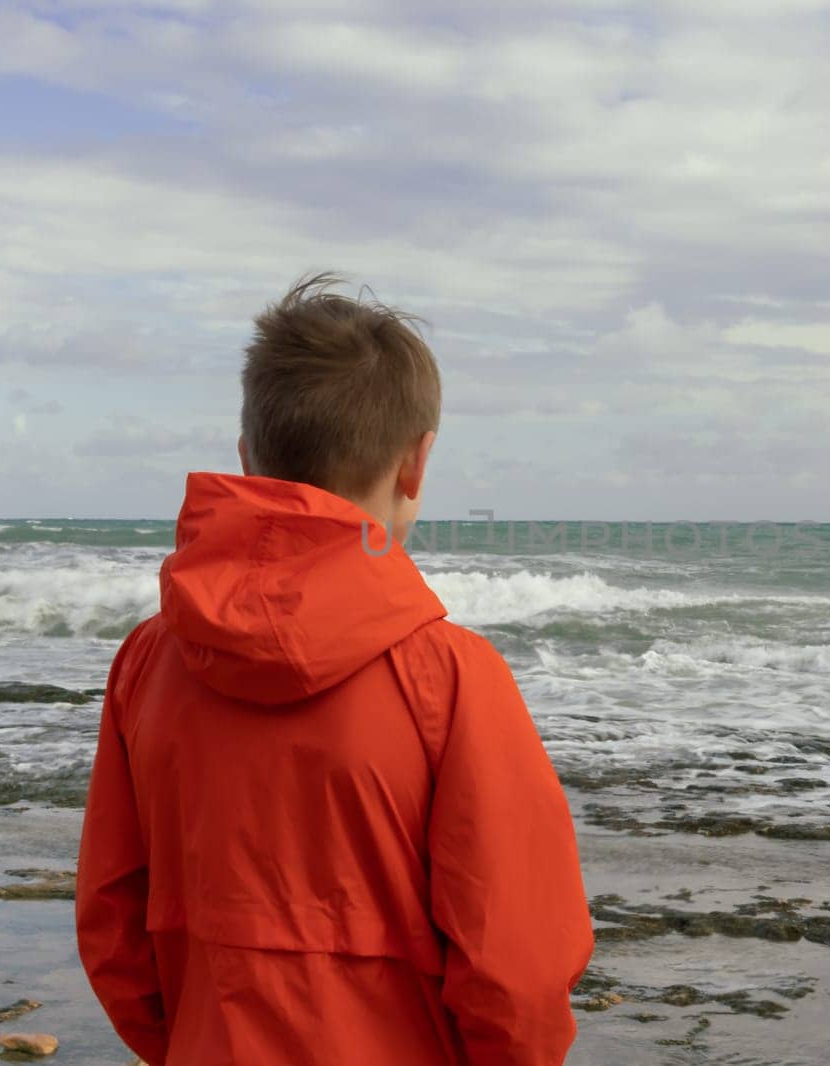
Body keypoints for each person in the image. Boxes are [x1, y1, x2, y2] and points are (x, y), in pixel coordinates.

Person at [75, 275, 594, 1065]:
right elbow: (516, 961)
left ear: (249, 457)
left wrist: (183, 1042)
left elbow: (112, 918)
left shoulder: (149, 660)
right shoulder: (450, 677)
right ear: (416, 467)